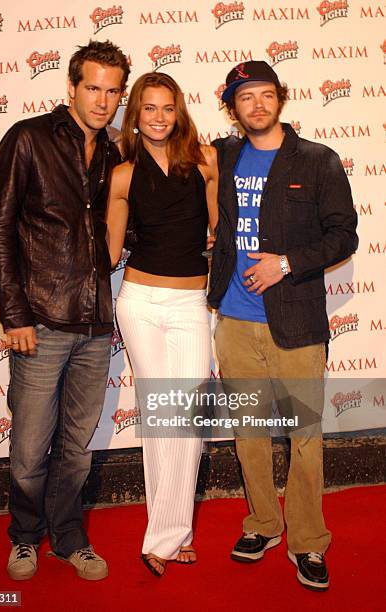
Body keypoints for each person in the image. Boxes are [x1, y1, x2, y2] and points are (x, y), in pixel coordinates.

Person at [0, 40, 130, 581]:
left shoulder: (117, 153)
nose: (103, 100)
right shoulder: (28, 138)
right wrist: (14, 313)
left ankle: (68, 538)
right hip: (39, 320)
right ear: (71, 86)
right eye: (93, 87)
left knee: (76, 447)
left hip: (95, 325)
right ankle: (24, 538)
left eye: (113, 91)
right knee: (28, 445)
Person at [208, 61, 358, 591]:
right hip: (233, 321)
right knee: (249, 435)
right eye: (245, 97)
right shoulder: (220, 157)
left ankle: (309, 541)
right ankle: (264, 525)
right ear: (233, 106)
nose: (257, 104)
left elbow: (344, 236)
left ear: (280, 99)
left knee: (306, 435)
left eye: (265, 94)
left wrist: (286, 262)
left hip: (296, 321)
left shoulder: (318, 160)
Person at [106, 72, 218, 576]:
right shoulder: (123, 175)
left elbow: (217, 232)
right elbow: (109, 251)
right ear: (135, 115)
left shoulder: (205, 162)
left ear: (179, 112)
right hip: (141, 302)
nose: (158, 117)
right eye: (148, 108)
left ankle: (173, 531)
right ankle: (167, 537)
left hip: (191, 302)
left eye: (166, 108)